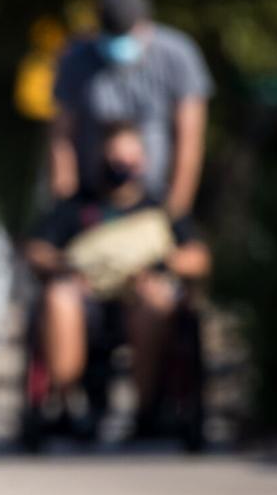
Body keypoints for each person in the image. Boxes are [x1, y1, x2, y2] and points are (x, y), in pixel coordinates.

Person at [25, 122, 210, 434]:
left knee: (156, 301)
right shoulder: (76, 206)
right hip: (88, 304)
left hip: (138, 301)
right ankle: (68, 402)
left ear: (144, 161)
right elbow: (36, 250)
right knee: (59, 297)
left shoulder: (161, 209)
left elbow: (198, 258)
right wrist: (67, 267)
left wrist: (161, 266)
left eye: (130, 157)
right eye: (115, 157)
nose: (122, 165)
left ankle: (147, 409)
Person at [48, 0, 212, 220]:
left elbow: (190, 139)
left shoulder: (178, 55)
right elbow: (61, 135)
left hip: (152, 198)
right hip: (90, 198)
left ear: (145, 24)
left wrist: (176, 210)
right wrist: (64, 203)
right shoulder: (76, 58)